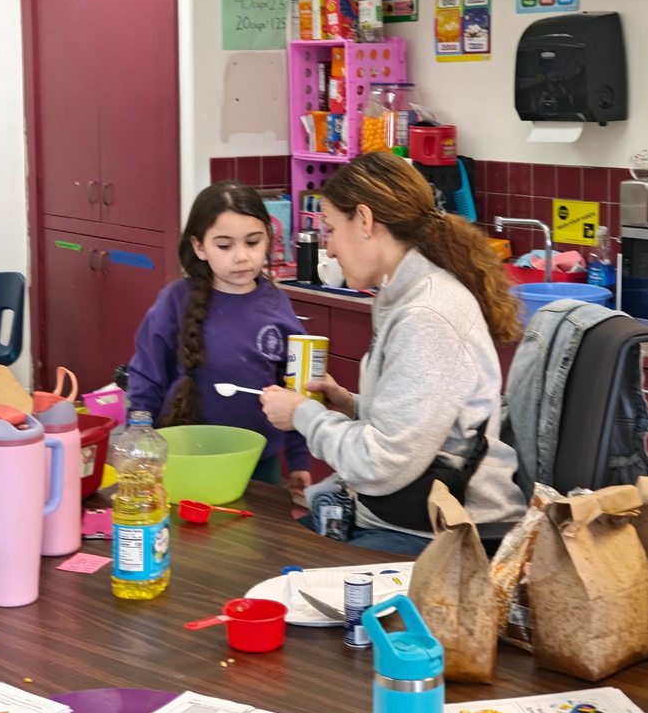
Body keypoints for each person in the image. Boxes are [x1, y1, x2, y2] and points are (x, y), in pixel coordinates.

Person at [260, 152, 527, 553]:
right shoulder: (403, 294)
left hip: (442, 532)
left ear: (365, 221)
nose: (328, 250)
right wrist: (350, 405)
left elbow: (381, 462)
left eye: (330, 229)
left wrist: (303, 415)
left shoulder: (427, 314)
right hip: (407, 514)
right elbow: (424, 424)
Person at [128, 180, 311, 498]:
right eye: (225, 246)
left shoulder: (277, 305)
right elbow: (146, 376)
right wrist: (140, 440)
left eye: (253, 242)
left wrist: (299, 461)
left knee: (252, 540)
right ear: (200, 247)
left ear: (269, 238)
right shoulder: (175, 301)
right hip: (183, 456)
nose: (241, 257)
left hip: (258, 461)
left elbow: (296, 390)